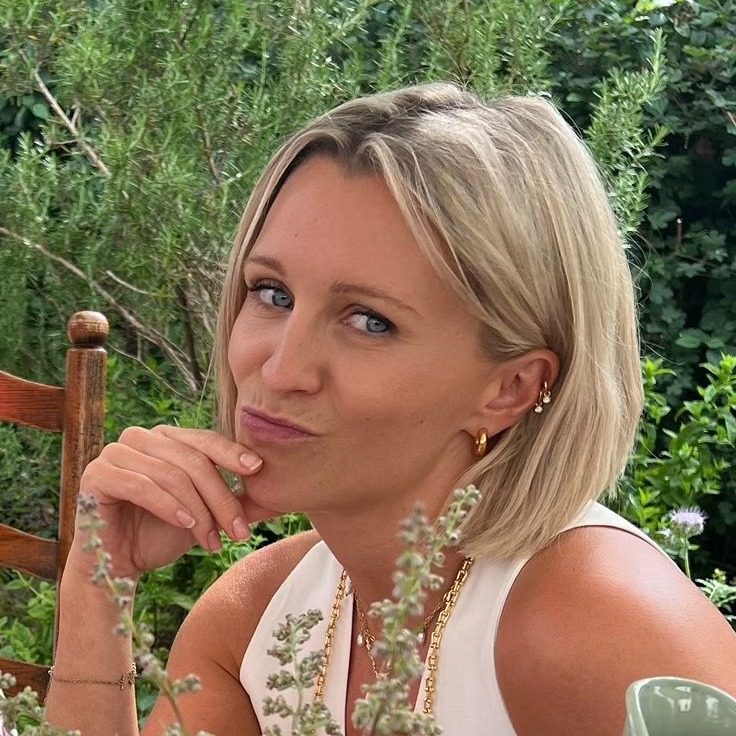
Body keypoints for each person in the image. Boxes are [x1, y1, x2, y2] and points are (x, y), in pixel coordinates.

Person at [45, 83, 736, 736]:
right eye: (273, 294)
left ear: (511, 388)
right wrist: (99, 584)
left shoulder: (597, 623)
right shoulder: (255, 624)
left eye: (369, 321)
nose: (280, 369)